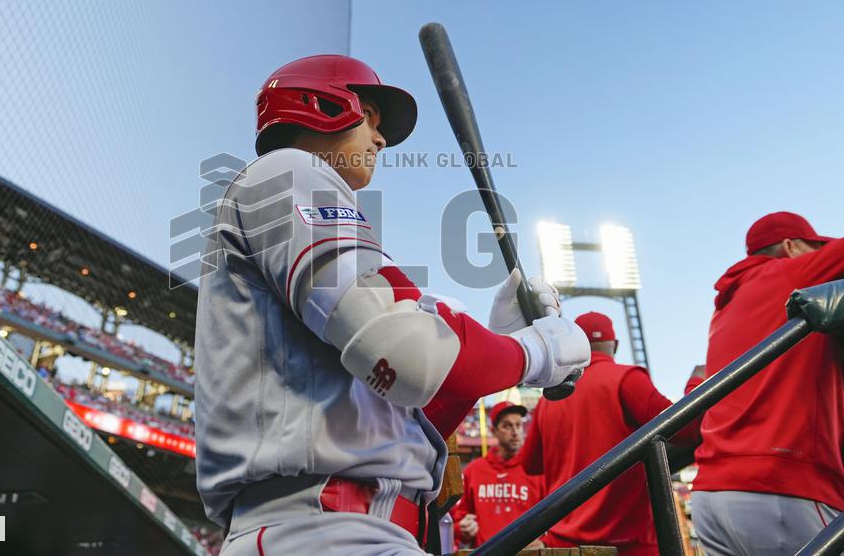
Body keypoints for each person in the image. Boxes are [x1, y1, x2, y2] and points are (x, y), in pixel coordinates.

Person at [193, 54, 591, 555]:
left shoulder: (299, 201)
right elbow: (407, 356)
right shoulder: (287, 170)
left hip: (350, 529)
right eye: (371, 119)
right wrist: (536, 353)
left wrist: (502, 346)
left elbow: (405, 409)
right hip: (323, 528)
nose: (380, 140)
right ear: (323, 104)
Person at [692, 212, 844, 556]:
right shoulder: (790, 272)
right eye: (813, 248)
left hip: (712, 493)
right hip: (781, 486)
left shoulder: (725, 307)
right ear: (790, 246)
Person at [520, 311, 702, 556]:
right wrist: (696, 383)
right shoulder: (625, 378)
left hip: (563, 543)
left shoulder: (549, 398)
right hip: (627, 544)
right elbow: (687, 431)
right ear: (614, 345)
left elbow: (530, 465)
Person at [450, 401, 546, 549]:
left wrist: (545, 543)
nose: (515, 431)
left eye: (518, 425)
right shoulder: (474, 470)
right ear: (493, 431)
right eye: (507, 426)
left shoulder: (536, 471)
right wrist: (462, 528)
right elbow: (460, 519)